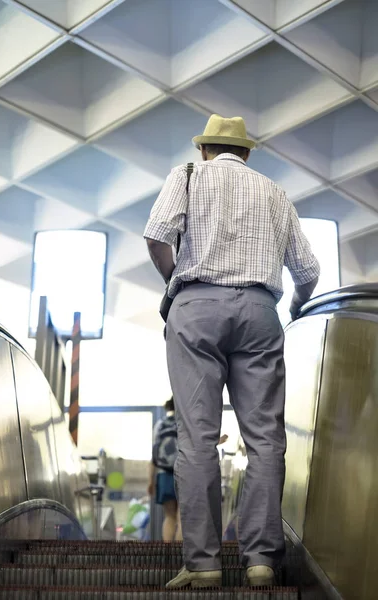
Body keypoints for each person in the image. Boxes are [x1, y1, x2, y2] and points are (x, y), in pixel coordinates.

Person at [144, 114, 319, 588]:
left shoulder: (187, 175)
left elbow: (157, 235)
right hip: (261, 311)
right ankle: (261, 559)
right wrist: (297, 309)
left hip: (195, 306)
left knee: (197, 437)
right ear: (245, 152)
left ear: (205, 149)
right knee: (265, 438)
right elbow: (307, 270)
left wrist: (175, 286)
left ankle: (202, 565)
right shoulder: (274, 192)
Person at [148, 397, 182, 542]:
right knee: (182, 519)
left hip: (164, 475)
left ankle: (167, 557)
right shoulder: (185, 423)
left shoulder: (160, 425)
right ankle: (181, 558)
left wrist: (151, 481)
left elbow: (154, 456)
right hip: (184, 472)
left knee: (169, 516)